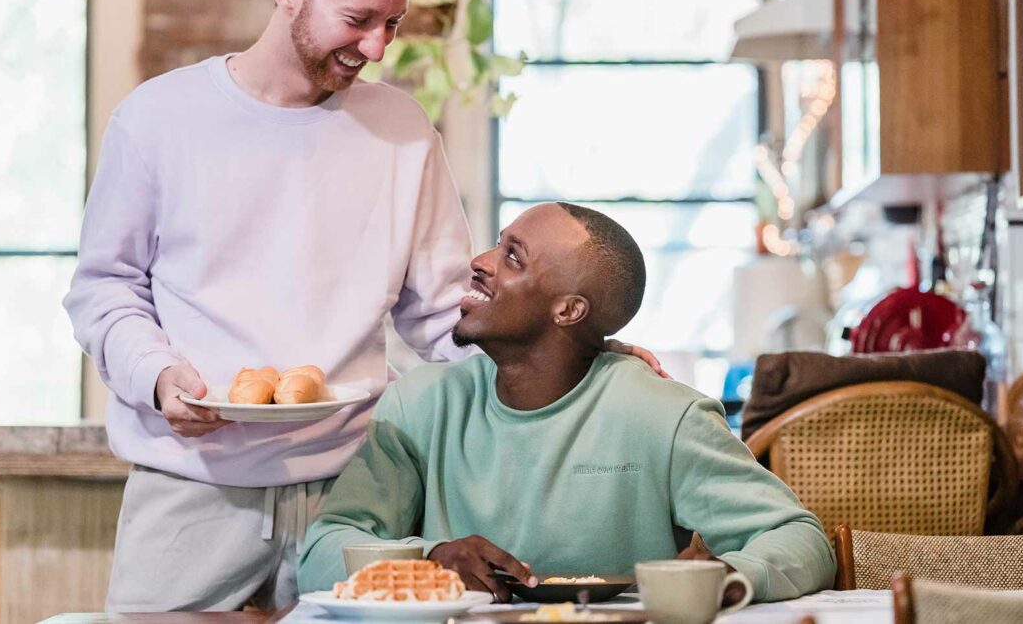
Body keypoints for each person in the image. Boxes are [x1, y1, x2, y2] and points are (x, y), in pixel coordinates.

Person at [64, 0, 658, 613]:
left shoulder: (403, 130)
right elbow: (103, 288)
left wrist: (582, 357)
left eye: (393, 23)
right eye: (358, 19)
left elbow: (448, 316)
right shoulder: (157, 119)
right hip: (188, 487)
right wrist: (156, 376)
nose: (376, 46)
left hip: (357, 499)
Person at [298, 202, 836, 605]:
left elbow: (802, 541)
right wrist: (428, 563)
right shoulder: (418, 407)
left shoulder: (663, 417)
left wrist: (729, 578)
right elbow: (324, 549)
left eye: (512, 256)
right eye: (497, 244)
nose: (479, 262)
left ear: (568, 309)